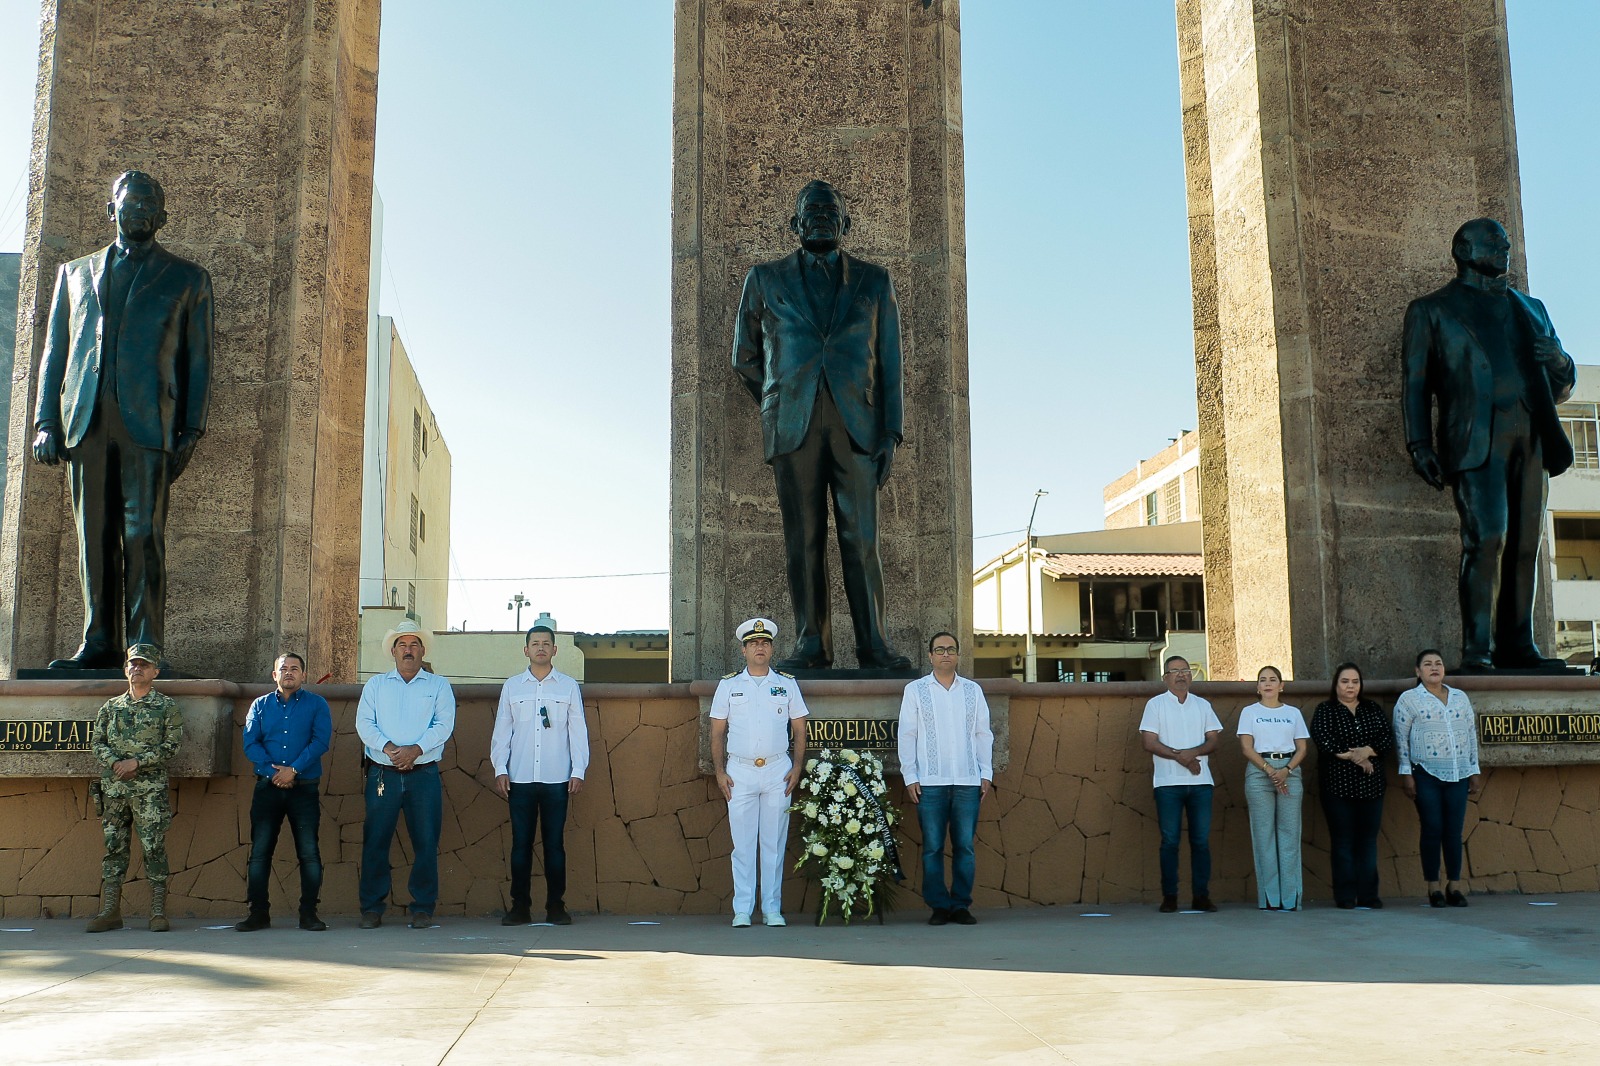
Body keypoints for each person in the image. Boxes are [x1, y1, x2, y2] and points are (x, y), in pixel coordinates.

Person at [31, 171, 213, 668]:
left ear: (162, 216)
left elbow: (199, 363)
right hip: (85, 423)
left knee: (143, 537)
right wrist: (45, 422)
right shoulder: (73, 274)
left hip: (150, 425)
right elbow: (54, 353)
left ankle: (145, 644)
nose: (137, 211)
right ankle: (99, 642)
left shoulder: (187, 278)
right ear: (111, 210)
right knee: (94, 538)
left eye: (148, 204)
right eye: (128, 203)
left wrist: (190, 432)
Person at [731, 179, 909, 671]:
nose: (822, 217)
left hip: (859, 428)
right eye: (812, 211)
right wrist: (780, 399)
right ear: (794, 223)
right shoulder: (764, 278)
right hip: (793, 428)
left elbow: (891, 363)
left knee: (861, 540)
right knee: (803, 538)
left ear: (847, 223)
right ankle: (813, 643)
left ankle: (873, 645)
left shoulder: (875, 281)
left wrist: (891, 431)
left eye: (832, 211)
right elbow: (744, 357)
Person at [1402, 218, 1575, 671]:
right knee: (1487, 537)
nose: (1506, 249)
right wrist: (1419, 443)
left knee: (1525, 544)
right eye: (1495, 243)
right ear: (1464, 249)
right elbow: (1416, 384)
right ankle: (1478, 650)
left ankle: (1519, 645)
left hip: (1533, 436)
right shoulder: (1432, 310)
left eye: (1507, 242)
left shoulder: (1530, 307)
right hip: (1475, 440)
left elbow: (1563, 384)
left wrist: (1558, 360)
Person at [355, 620, 456, 929]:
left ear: (422, 650)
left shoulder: (439, 686)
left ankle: (423, 908)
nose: (408, 650)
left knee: (426, 842)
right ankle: (372, 909)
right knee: (376, 842)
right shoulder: (375, 686)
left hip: (423, 774)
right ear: (393, 651)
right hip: (382, 775)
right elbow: (364, 724)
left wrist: (415, 750)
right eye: (402, 645)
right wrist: (389, 749)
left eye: (414, 645)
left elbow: (443, 725)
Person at [709, 617, 809, 926]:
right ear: (744, 650)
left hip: (778, 769)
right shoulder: (728, 685)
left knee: (773, 843)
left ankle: (771, 909)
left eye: (764, 643)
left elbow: (800, 729)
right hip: (740, 771)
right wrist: (719, 772)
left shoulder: (786, 684)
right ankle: (742, 909)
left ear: (772, 648)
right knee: (742, 844)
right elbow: (716, 733)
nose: (760, 648)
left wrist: (797, 766)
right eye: (754, 644)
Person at [492, 619, 589, 926]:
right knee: (520, 845)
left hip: (557, 778)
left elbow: (578, 731)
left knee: (554, 845)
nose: (541, 648)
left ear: (555, 649)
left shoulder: (568, 686)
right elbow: (502, 731)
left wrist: (579, 770)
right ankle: (519, 907)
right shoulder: (512, 687)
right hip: (519, 777)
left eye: (546, 643)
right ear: (526, 650)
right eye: (535, 644)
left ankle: (555, 906)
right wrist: (500, 768)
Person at [898, 631, 994, 926]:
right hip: (930, 781)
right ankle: (939, 905)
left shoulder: (972, 691)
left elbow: (982, 733)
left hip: (967, 780)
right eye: (939, 650)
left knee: (964, 846)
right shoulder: (916, 690)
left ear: (958, 655)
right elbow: (907, 734)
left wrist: (986, 772)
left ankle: (961, 905)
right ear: (930, 656)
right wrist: (909, 775)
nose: (945, 654)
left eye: (951, 649)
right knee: (933, 847)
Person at [86, 643, 183, 933]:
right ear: (125, 669)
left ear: (155, 671)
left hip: (149, 791)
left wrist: (137, 763)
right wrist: (116, 762)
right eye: (132, 664)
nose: (137, 668)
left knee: (153, 848)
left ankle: (156, 913)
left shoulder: (166, 707)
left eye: (143, 665)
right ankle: (110, 911)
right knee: (114, 849)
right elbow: (97, 742)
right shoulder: (111, 707)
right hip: (114, 791)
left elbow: (172, 745)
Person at [236, 652, 332, 932]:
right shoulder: (260, 705)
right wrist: (273, 772)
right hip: (267, 789)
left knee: (309, 852)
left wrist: (294, 770)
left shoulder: (317, 705)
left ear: (303, 675)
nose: (289, 672)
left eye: (294, 668)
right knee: (260, 853)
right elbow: (250, 743)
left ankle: (309, 914)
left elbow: (320, 742)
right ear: (274, 675)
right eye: (283, 669)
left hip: (304, 790)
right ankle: (258, 914)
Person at [1394, 648, 1483, 907]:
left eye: (1438, 664)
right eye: (1428, 664)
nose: (1434, 668)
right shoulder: (1409, 699)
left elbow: (1470, 734)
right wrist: (1406, 774)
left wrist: (1474, 769)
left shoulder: (1459, 697)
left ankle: (1454, 886)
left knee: (1453, 832)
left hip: (1459, 773)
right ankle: (1433, 887)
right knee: (1432, 828)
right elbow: (1400, 738)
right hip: (1425, 773)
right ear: (1418, 671)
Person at [1139, 655, 1223, 913]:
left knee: (1200, 841)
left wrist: (1192, 753)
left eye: (1185, 670)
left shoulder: (1203, 705)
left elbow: (1213, 740)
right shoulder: (1156, 705)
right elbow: (1149, 742)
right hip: (1167, 784)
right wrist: (1184, 758)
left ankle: (1201, 896)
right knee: (1170, 841)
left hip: (1201, 785)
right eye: (1174, 671)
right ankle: (1170, 896)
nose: (1181, 675)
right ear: (1165, 677)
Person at [1309, 662, 1393, 909]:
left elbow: (1386, 738)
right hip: (1337, 787)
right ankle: (1345, 897)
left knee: (1367, 841)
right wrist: (1356, 756)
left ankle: (1368, 895)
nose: (1350, 686)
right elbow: (1323, 738)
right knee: (1343, 841)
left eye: (1355, 682)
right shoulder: (1326, 710)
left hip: (1371, 787)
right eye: (1345, 681)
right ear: (1336, 684)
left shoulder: (1372, 709)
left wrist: (1368, 750)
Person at [1237, 665, 1309, 911]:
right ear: (1257, 687)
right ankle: (1270, 898)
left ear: (1282, 685)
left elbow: (1302, 748)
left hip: (1289, 770)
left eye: (1273, 679)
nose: (1268, 683)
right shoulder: (1249, 712)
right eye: (1263, 680)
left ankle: (1291, 899)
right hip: (1260, 773)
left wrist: (1285, 771)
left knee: (1289, 835)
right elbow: (1247, 747)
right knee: (1263, 835)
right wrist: (1269, 770)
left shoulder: (1293, 713)